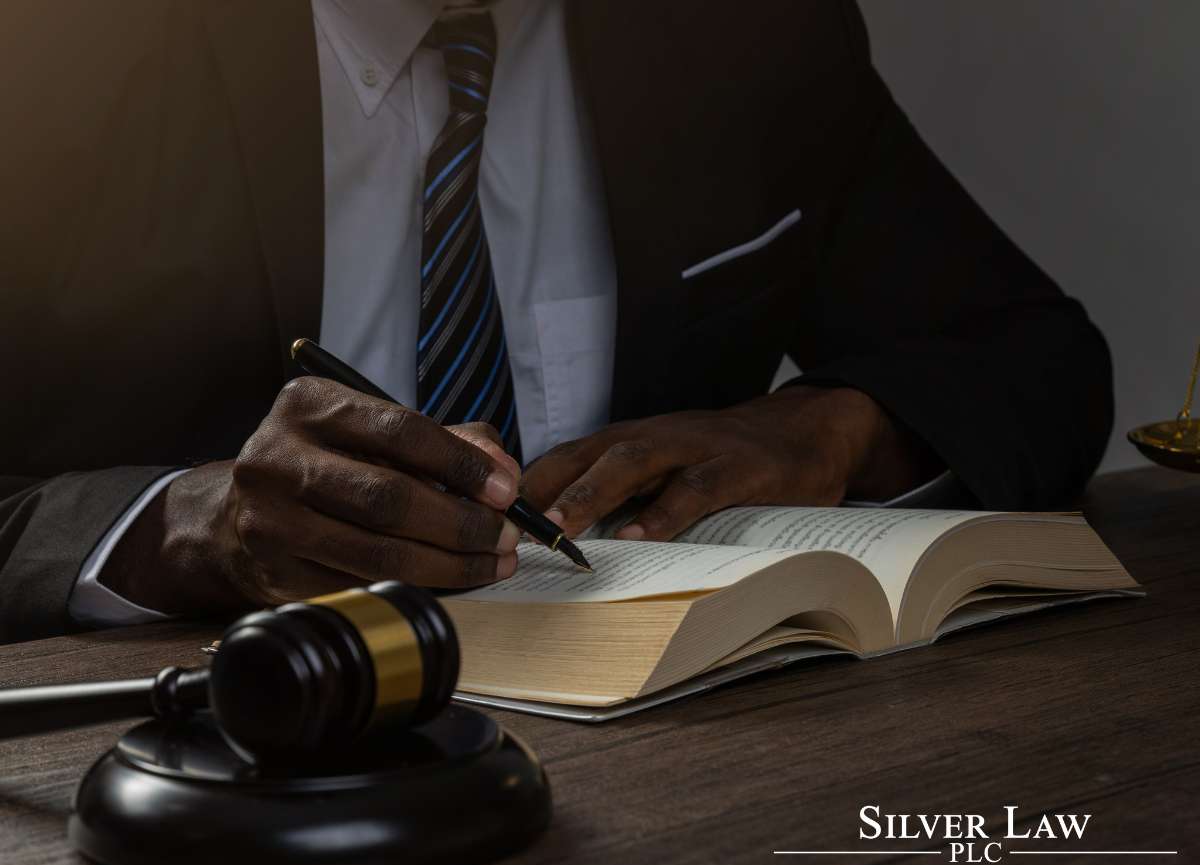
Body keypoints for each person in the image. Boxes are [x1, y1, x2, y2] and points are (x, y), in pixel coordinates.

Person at [0, 0, 1112, 643]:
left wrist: (826, 432)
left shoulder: (749, 30)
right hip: (166, 761)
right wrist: (173, 525)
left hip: (669, 752)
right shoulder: (52, 52)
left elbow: (1035, 358)